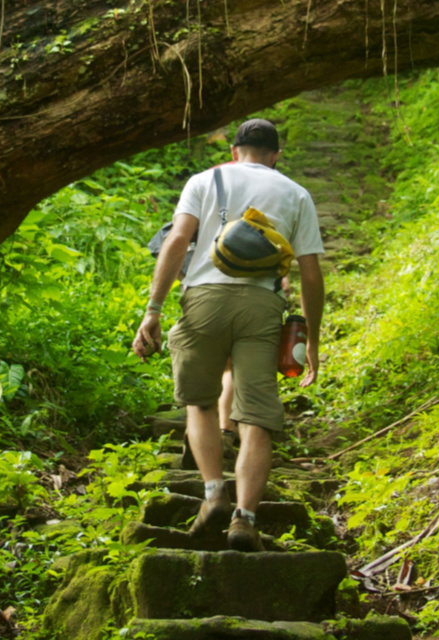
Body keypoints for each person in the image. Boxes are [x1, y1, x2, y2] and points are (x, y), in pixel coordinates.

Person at [132, 118, 324, 552]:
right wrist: (310, 339)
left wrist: (154, 310)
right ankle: (246, 519)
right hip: (261, 307)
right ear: (276, 156)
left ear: (235, 151)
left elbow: (178, 239)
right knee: (256, 415)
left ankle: (215, 493)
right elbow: (311, 274)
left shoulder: (204, 180)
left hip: (203, 298)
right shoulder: (296, 193)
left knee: (199, 402)